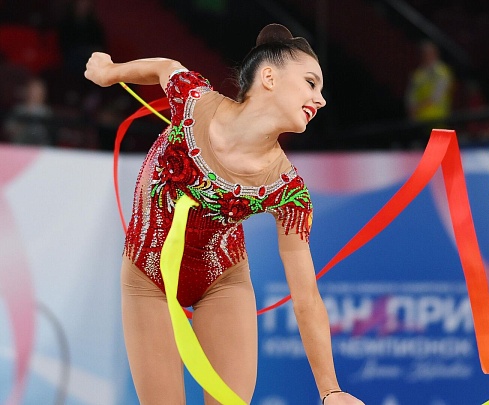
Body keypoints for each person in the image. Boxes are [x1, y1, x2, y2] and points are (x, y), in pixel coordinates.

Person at [84, 23, 364, 405]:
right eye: (311, 83)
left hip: (221, 282)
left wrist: (330, 390)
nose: (321, 100)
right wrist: (109, 72)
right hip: (147, 278)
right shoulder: (192, 99)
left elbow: (306, 297)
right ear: (269, 77)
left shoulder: (288, 190)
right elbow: (165, 67)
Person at [404, 40, 454, 124]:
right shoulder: (418, 73)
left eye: (428, 53)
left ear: (435, 54)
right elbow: (410, 95)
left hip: (438, 119)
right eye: (423, 54)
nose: (426, 56)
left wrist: (417, 108)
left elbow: (436, 97)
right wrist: (411, 109)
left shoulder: (442, 72)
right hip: (418, 120)